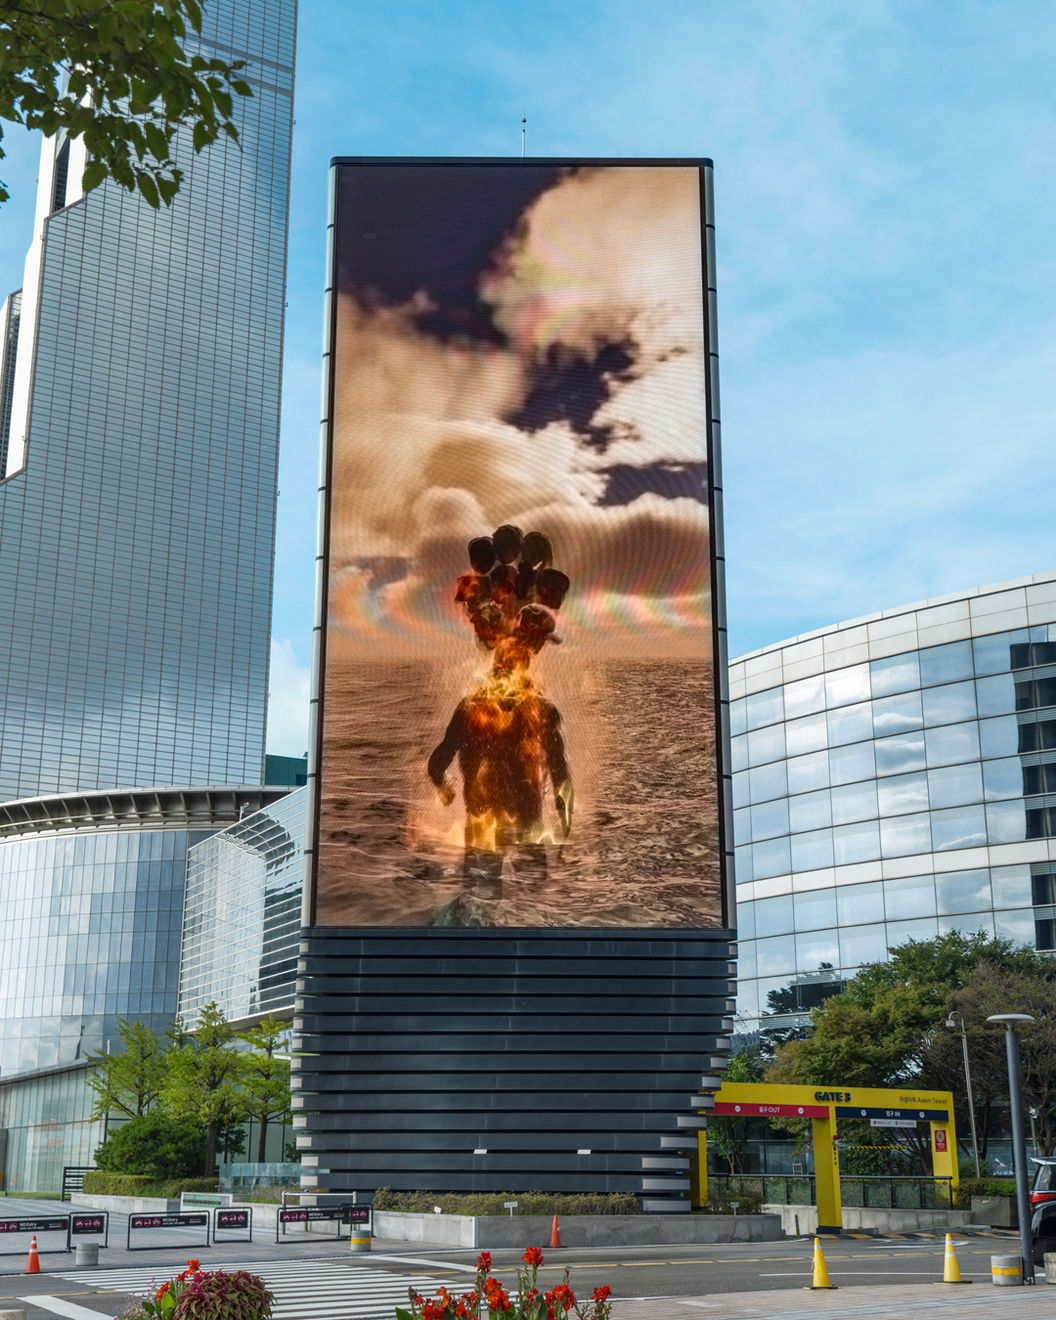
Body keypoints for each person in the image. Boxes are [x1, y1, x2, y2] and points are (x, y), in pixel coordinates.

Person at [427, 674, 573, 896]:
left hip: (484, 833)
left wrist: (443, 786)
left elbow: (437, 763)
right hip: (526, 831)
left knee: (479, 902)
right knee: (532, 905)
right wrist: (565, 821)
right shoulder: (543, 710)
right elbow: (560, 772)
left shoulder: (469, 710)